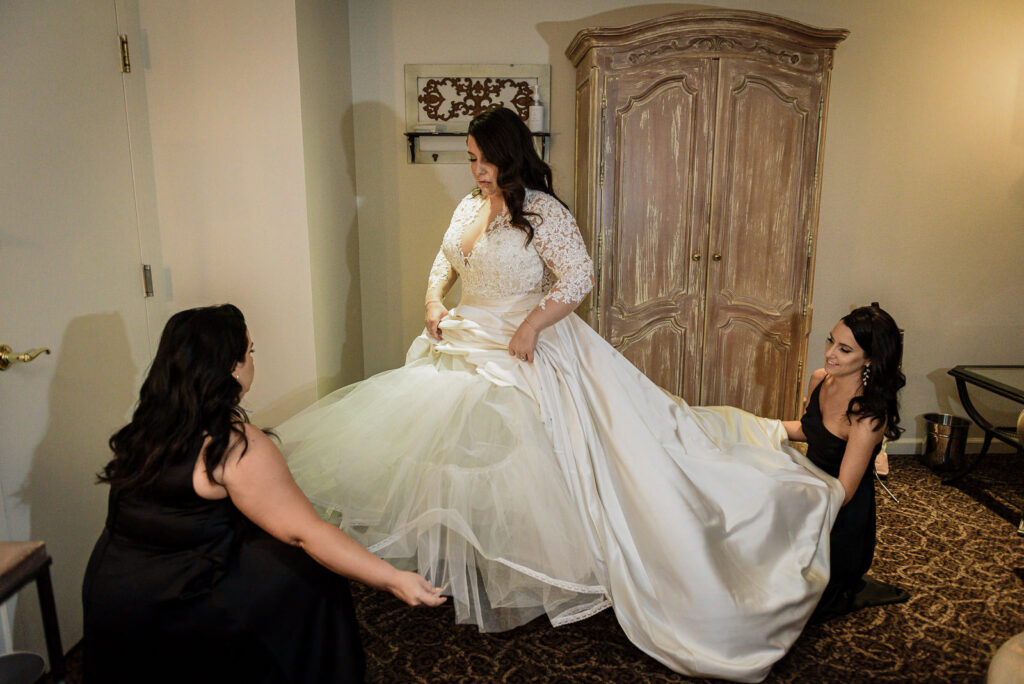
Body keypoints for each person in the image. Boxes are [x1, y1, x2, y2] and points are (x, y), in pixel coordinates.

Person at [277, 107, 843, 683]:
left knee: (544, 454)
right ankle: (475, 563)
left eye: (483, 160)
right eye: (470, 160)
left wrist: (531, 326)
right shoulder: (470, 206)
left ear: (509, 155)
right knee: (460, 454)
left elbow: (577, 278)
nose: (475, 170)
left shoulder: (542, 211)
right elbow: (444, 260)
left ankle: (555, 566)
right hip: (468, 339)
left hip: (527, 344)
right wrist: (432, 300)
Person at [82, 304, 444, 684]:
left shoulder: (143, 430)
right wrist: (392, 578)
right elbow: (308, 532)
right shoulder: (230, 445)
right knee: (311, 572)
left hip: (110, 593)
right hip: (177, 605)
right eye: (250, 351)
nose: (253, 361)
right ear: (232, 367)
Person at [781, 305, 909, 622]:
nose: (829, 354)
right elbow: (808, 430)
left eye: (844, 349)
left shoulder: (868, 414)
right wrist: (751, 427)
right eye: (830, 341)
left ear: (869, 358)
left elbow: (845, 491)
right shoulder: (821, 379)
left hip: (839, 515)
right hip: (808, 489)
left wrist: (790, 495)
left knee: (789, 603)